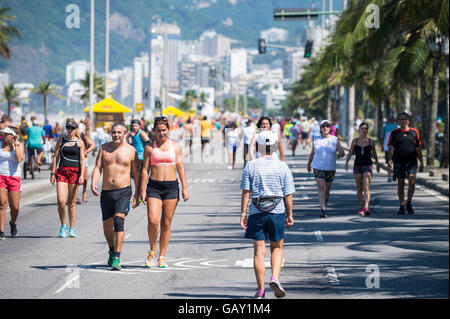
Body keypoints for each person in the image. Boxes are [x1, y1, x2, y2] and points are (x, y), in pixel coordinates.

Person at [240, 130, 295, 299]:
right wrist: (290, 214)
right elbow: (288, 194)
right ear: (275, 146)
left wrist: (243, 213)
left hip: (257, 211)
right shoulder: (282, 166)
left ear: (259, 147)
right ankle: (275, 277)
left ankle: (261, 290)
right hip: (277, 211)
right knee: (277, 247)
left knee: (258, 252)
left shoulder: (251, 165)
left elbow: (246, 192)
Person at [139, 117, 189, 269]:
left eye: (164, 130)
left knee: (166, 223)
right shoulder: (149, 147)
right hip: (154, 186)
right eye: (158, 130)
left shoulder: (175, 146)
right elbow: (144, 170)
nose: (161, 133)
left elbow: (180, 166)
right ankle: (152, 251)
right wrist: (141, 189)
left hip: (171, 187)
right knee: (153, 220)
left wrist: (185, 187)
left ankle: (162, 256)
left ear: (168, 130)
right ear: (154, 131)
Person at [91, 123, 140, 270]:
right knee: (107, 226)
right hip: (106, 192)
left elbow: (137, 173)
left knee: (119, 222)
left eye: (119, 132)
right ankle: (112, 250)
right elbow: (98, 168)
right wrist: (93, 183)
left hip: (123, 191)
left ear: (124, 133)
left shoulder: (131, 151)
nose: (116, 135)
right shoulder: (104, 148)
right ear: (110, 133)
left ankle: (117, 258)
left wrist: (137, 193)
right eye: (114, 132)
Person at [50, 119, 86, 238]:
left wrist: (82, 175)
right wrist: (52, 173)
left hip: (75, 172)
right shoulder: (61, 140)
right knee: (61, 200)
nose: (69, 130)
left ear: (76, 129)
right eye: (68, 127)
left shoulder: (80, 142)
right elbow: (55, 157)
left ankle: (72, 228)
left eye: (72, 128)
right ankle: (63, 225)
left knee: (71, 203)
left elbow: (82, 160)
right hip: (62, 172)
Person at [387, 112, 424, 215]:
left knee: (412, 182)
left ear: (408, 121)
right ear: (399, 121)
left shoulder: (414, 132)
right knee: (401, 184)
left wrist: (421, 162)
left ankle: (409, 203)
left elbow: (418, 148)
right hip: (399, 161)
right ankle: (402, 205)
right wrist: (389, 160)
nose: (403, 121)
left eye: (405, 119)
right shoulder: (394, 133)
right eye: (401, 119)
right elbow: (391, 148)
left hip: (411, 161)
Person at [307, 120, 345, 218]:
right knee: (322, 187)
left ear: (330, 128)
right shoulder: (316, 138)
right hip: (318, 167)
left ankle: (324, 207)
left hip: (330, 168)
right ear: (320, 129)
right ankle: (323, 209)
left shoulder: (335, 139)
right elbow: (312, 152)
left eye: (327, 126)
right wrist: (308, 164)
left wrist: (339, 154)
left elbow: (341, 152)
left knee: (327, 190)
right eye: (323, 126)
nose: (325, 128)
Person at [345, 122, 380, 216]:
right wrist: (346, 163)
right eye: (362, 128)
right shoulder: (355, 141)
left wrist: (377, 164)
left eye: (366, 128)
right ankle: (361, 207)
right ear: (359, 130)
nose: (364, 130)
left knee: (366, 186)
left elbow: (375, 154)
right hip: (357, 166)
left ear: (367, 130)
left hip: (367, 166)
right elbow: (350, 152)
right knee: (359, 187)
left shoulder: (371, 142)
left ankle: (366, 207)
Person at [0, 126, 25, 240]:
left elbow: (19, 159)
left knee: (15, 207)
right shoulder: (0, 144)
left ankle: (13, 222)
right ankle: (1, 231)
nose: (3, 135)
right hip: (1, 176)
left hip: (14, 178)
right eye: (3, 133)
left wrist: (14, 146)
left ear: (13, 136)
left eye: (6, 134)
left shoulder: (19, 145)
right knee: (2, 203)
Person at [78, 130, 96, 203]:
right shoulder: (69, 136)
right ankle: (73, 196)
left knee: (85, 178)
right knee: (74, 178)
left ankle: (84, 192)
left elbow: (93, 145)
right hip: (74, 159)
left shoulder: (82, 135)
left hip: (84, 159)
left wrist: (86, 151)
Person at [381, 115, 398, 182]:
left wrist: (382, 146)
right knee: (395, 162)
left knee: (389, 162)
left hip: (387, 147)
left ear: (388, 120)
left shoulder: (385, 127)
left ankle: (389, 176)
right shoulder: (396, 127)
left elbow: (382, 137)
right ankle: (394, 174)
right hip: (396, 148)